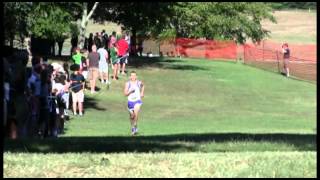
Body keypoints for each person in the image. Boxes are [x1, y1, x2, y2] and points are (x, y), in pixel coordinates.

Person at [123, 71, 145, 135]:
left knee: (136, 113)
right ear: (130, 77)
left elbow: (143, 86)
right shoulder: (128, 83)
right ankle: (133, 127)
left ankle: (135, 125)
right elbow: (125, 94)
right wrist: (130, 91)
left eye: (134, 75)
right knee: (132, 116)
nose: (133, 77)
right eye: (132, 75)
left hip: (137, 100)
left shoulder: (138, 82)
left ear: (136, 76)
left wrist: (142, 92)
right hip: (130, 102)